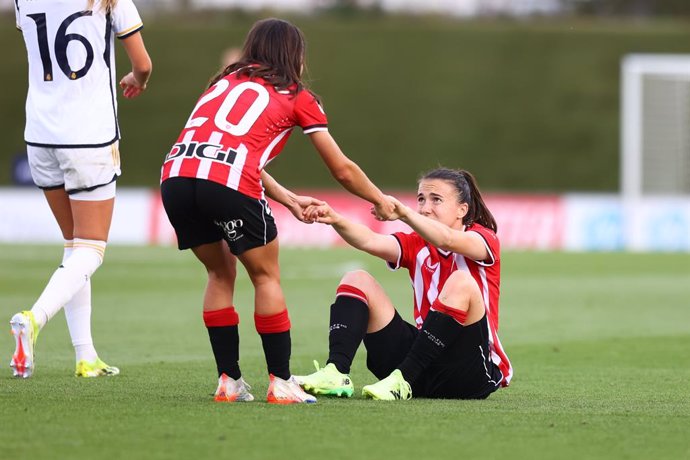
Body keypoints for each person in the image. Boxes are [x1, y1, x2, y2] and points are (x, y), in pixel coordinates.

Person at [159, 18, 395, 404]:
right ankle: (281, 382)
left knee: (219, 273)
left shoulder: (222, 83)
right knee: (266, 277)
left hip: (176, 177)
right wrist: (380, 201)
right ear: (294, 54)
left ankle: (228, 381)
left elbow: (230, 151)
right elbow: (342, 169)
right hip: (229, 183)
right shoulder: (297, 95)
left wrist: (287, 198)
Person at [10, 0, 152, 379]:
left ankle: (85, 355)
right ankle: (33, 318)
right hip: (88, 136)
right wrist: (138, 80)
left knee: (74, 245)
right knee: (91, 249)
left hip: (40, 135)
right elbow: (143, 64)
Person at [296, 167, 513, 400]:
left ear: (462, 210)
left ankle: (402, 380)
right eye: (421, 199)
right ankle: (336, 372)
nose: (425, 207)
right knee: (356, 278)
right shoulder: (416, 244)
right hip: (423, 362)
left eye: (436, 200)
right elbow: (369, 240)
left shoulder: (484, 238)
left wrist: (406, 214)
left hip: (469, 371)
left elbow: (447, 239)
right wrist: (335, 219)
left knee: (461, 282)